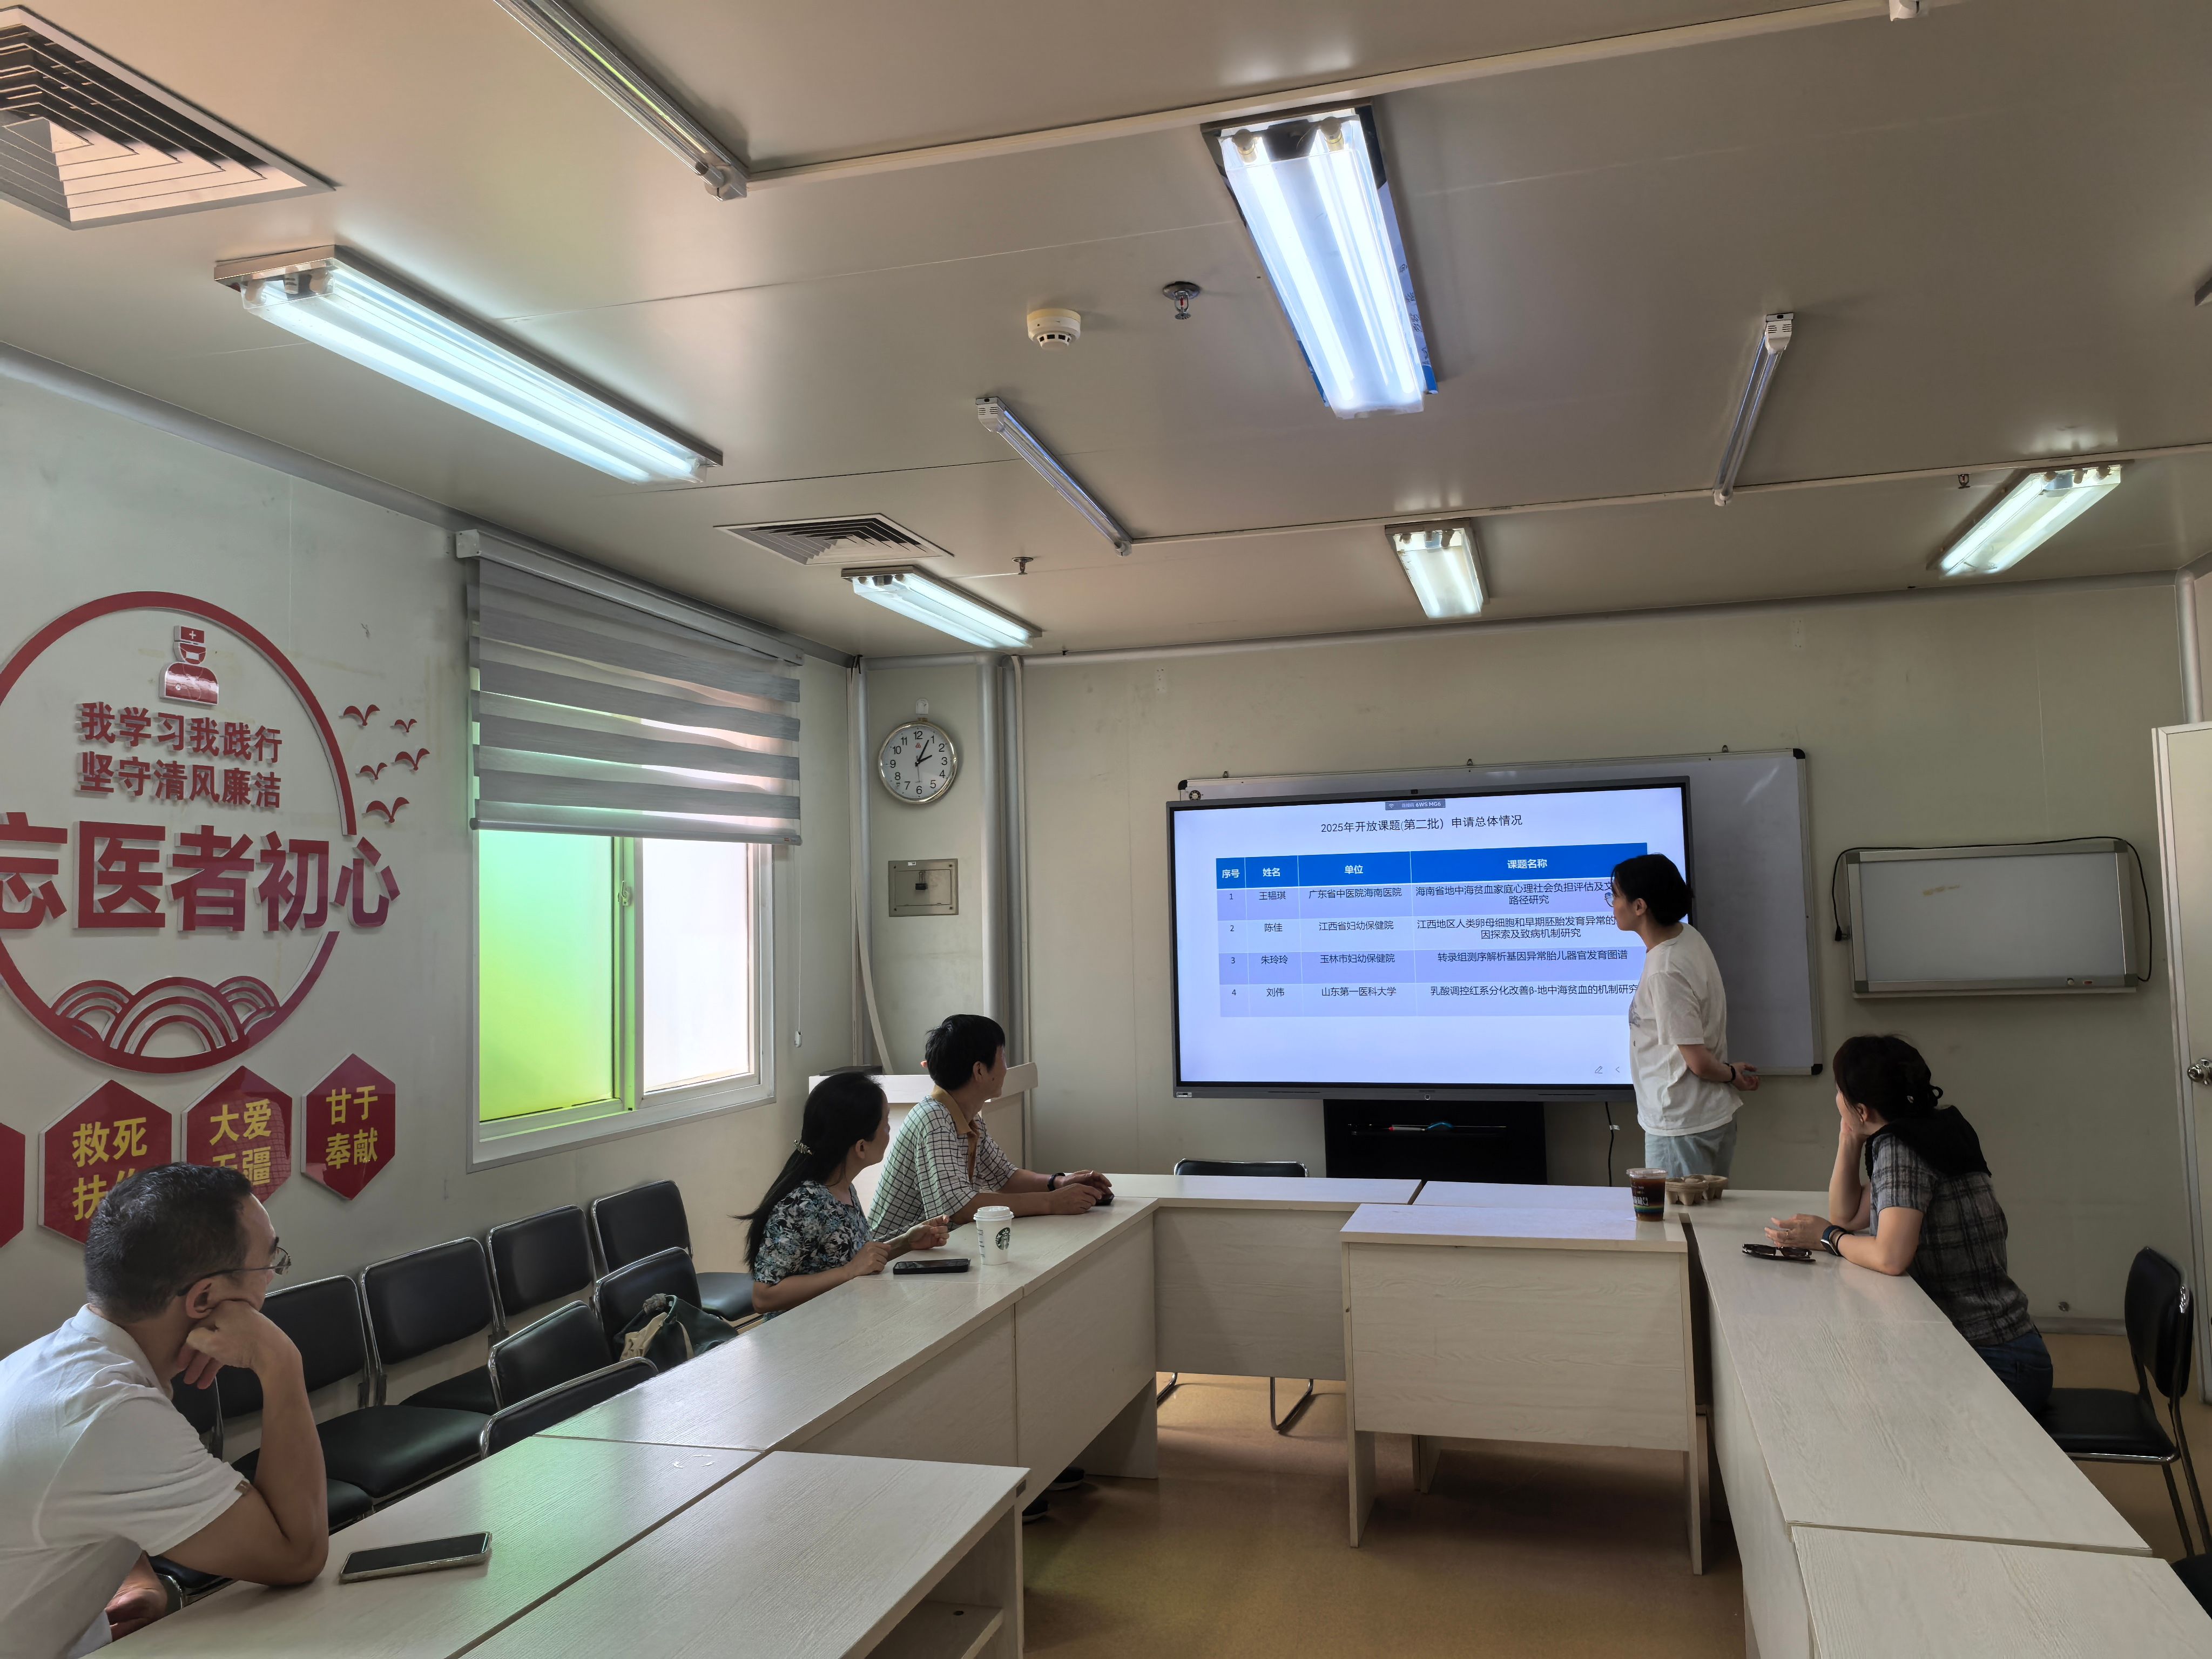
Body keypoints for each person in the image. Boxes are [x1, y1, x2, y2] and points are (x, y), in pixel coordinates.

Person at [0, 1164, 329, 1658]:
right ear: (206, 1297)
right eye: (269, 1263)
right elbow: (296, 1554)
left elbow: (78, 1494)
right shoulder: (110, 1413)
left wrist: (136, 1577)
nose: (271, 1279)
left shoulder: (56, 1363)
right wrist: (281, 1363)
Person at [1765, 1035, 2051, 1414]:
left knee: (1853, 1397)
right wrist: (1850, 1138)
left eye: (1839, 1092)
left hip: (1994, 1357)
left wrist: (1827, 1237)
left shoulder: (1902, 1149)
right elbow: (1847, 1214)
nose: (1836, 1099)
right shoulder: (1929, 1128)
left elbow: (1890, 1256)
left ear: (1863, 1109)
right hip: (2005, 1346)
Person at [869, 1014, 1113, 1237]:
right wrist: (1052, 1202)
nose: (1006, 1068)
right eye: (1002, 1057)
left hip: (931, 1251)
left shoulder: (967, 1117)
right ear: (980, 1071)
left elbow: (1006, 1177)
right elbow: (960, 1208)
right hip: (894, 1258)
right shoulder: (934, 1119)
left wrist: (1060, 1183)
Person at [740, 1074, 951, 1316]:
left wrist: (906, 1243)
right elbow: (764, 1297)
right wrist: (849, 1272)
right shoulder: (802, 1204)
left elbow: (855, 1260)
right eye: (885, 1123)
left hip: (845, 1321)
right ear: (861, 1147)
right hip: (804, 1335)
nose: (889, 1130)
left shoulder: (842, 1187)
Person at [1610, 852, 1758, 1177]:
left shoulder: (1665, 969)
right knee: (1707, 1211)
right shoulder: (1687, 935)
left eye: (1616, 896)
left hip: (1681, 1125)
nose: (1612, 904)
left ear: (1640, 906)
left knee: (1676, 1213)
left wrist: (1730, 1074)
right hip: (1703, 1117)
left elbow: (1699, 1063)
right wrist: (1729, 1072)